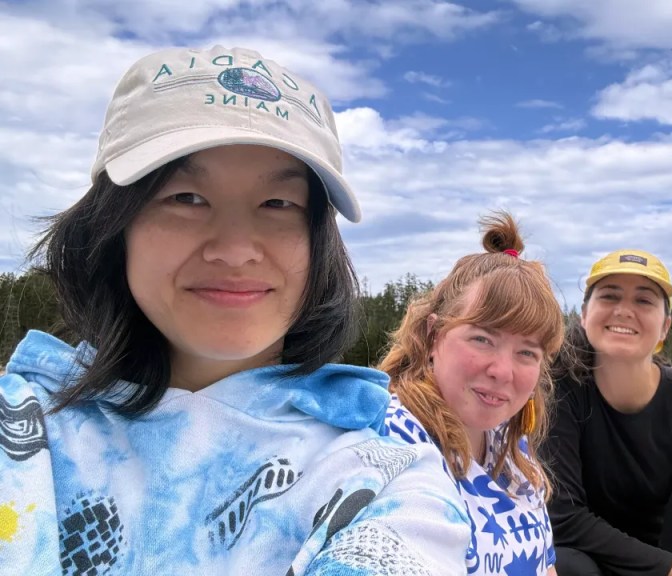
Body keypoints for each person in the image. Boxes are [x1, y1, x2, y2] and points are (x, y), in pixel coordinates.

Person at [0, 45, 469, 574]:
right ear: (115, 224)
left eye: (278, 204)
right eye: (185, 197)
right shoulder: (25, 431)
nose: (235, 248)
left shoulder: (382, 477)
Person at [378, 211, 564, 576]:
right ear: (434, 336)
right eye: (482, 339)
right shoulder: (394, 447)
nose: (501, 371)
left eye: (526, 352)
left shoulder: (513, 448)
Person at [540, 250, 672, 576]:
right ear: (585, 316)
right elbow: (562, 518)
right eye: (609, 296)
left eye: (644, 301)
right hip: (584, 561)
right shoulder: (560, 390)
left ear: (665, 328)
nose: (624, 310)